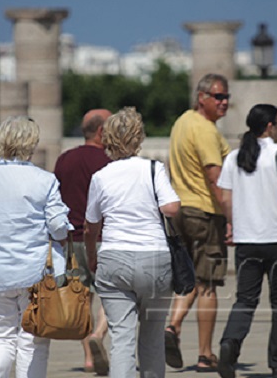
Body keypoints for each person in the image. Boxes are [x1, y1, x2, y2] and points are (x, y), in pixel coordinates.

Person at [0, 116, 73, 378]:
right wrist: (65, 231)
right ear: (31, 143)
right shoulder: (44, 180)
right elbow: (57, 226)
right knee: (33, 338)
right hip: (36, 273)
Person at [84, 107, 180, 378]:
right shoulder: (154, 169)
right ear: (139, 138)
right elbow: (171, 208)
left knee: (121, 340)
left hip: (114, 256)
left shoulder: (101, 177)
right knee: (152, 339)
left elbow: (91, 226)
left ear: (106, 138)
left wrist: (92, 256)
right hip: (154, 258)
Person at [215, 104, 277, 378]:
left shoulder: (235, 158)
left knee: (245, 300)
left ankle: (229, 342)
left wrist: (232, 224)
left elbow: (225, 198)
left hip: (246, 241)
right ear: (269, 127)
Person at [165, 73, 232, 372]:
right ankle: (205, 354)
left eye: (226, 96)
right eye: (218, 96)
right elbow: (215, 176)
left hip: (181, 209)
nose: (224, 102)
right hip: (205, 212)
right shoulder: (205, 130)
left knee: (190, 278)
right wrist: (231, 218)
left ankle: (173, 327)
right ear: (201, 97)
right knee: (208, 285)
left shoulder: (181, 122)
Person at [54, 108, 112, 375]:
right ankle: (99, 335)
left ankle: (88, 358)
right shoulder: (107, 161)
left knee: (82, 300)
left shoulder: (64, 159)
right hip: (101, 237)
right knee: (113, 294)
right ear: (101, 131)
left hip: (70, 240)